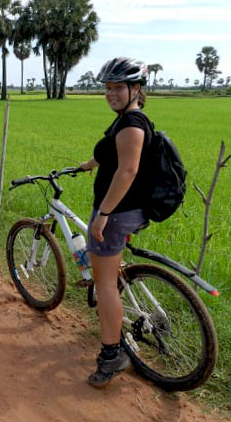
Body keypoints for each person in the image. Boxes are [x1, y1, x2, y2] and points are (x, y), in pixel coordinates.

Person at [79, 57, 153, 388]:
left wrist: (103, 215)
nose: (110, 93)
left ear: (135, 89)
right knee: (110, 274)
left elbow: (128, 170)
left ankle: (112, 354)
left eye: (117, 88)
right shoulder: (124, 120)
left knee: (104, 284)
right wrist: (90, 164)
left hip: (118, 212)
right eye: (107, 88)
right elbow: (112, 155)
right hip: (123, 209)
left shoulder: (132, 124)